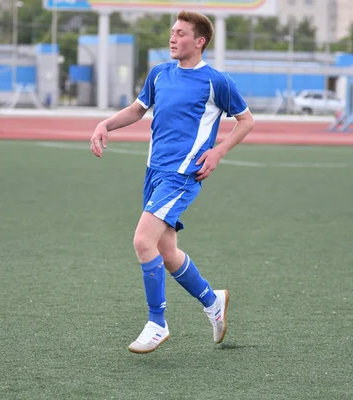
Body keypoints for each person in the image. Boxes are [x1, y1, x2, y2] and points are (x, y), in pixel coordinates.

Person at [90, 10, 254, 354]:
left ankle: (157, 323)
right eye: (172, 32)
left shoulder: (216, 81)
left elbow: (246, 120)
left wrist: (218, 152)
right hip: (153, 173)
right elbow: (137, 110)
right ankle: (213, 302)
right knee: (167, 251)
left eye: (180, 33)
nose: (172, 38)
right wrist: (105, 124)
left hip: (182, 176)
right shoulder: (160, 73)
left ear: (199, 41)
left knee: (141, 241)